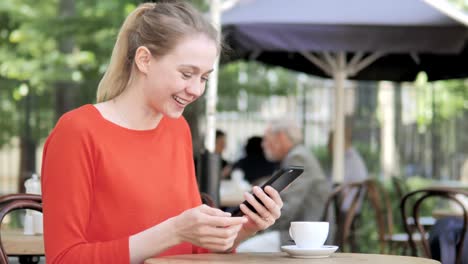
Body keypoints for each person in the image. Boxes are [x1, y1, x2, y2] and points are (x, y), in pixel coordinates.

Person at [41, 2, 283, 264]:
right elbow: (63, 258)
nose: (196, 90)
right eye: (186, 74)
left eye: (203, 78)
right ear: (144, 60)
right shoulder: (78, 132)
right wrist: (174, 231)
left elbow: (195, 250)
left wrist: (246, 228)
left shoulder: (177, 130)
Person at [237, 118, 329, 252]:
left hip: (299, 237)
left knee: (240, 249)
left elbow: (286, 209)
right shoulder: (298, 155)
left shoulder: (298, 158)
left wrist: (257, 228)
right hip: (299, 232)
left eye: (266, 139)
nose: (263, 145)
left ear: (280, 137)